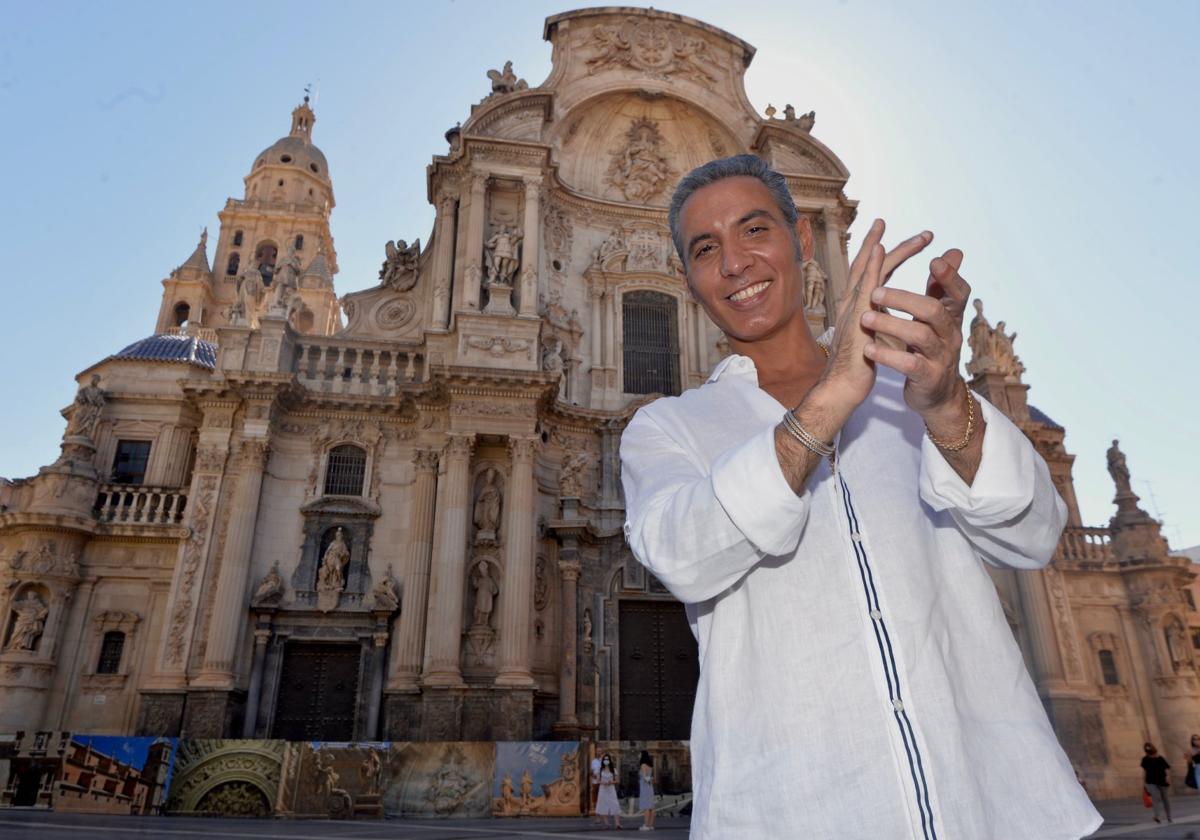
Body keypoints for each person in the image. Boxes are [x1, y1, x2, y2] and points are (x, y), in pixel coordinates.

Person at [619, 155, 1101, 839]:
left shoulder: (915, 398)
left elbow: (1031, 533)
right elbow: (684, 554)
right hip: (791, 815)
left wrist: (944, 402)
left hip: (996, 810)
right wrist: (831, 399)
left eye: (755, 230)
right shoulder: (666, 429)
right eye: (706, 249)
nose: (734, 263)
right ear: (687, 278)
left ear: (803, 240)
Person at [1142, 743, 1172, 822]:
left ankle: (1169, 816)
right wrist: (1144, 782)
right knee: (1155, 798)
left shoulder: (1160, 758)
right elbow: (1145, 771)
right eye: (1147, 748)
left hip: (1162, 781)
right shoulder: (1145, 759)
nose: (1148, 749)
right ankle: (1157, 816)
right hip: (1151, 781)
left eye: (1149, 748)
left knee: (1165, 799)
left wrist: (1168, 777)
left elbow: (1167, 768)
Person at [595, 753, 622, 829]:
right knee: (603, 805)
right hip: (603, 789)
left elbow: (617, 780)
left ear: (610, 760)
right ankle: (606, 823)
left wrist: (611, 782)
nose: (606, 761)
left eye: (607, 759)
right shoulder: (600, 770)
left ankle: (617, 823)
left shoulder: (614, 770)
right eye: (605, 759)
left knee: (615, 804)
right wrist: (602, 782)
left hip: (611, 789)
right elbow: (597, 780)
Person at [637, 751, 655, 831]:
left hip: (645, 787)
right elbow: (650, 777)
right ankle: (650, 825)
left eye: (640, 754)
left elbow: (645, 777)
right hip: (650, 787)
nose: (639, 755)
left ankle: (646, 825)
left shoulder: (643, 765)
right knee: (651, 807)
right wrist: (651, 780)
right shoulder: (650, 766)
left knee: (646, 807)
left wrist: (647, 780)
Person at [590, 753, 603, 824]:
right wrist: (593, 775)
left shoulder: (604, 761)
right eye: (597, 751)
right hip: (595, 782)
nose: (599, 753)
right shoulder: (593, 761)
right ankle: (597, 817)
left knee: (602, 800)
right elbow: (591, 771)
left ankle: (603, 817)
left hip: (602, 783)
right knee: (595, 800)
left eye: (600, 751)